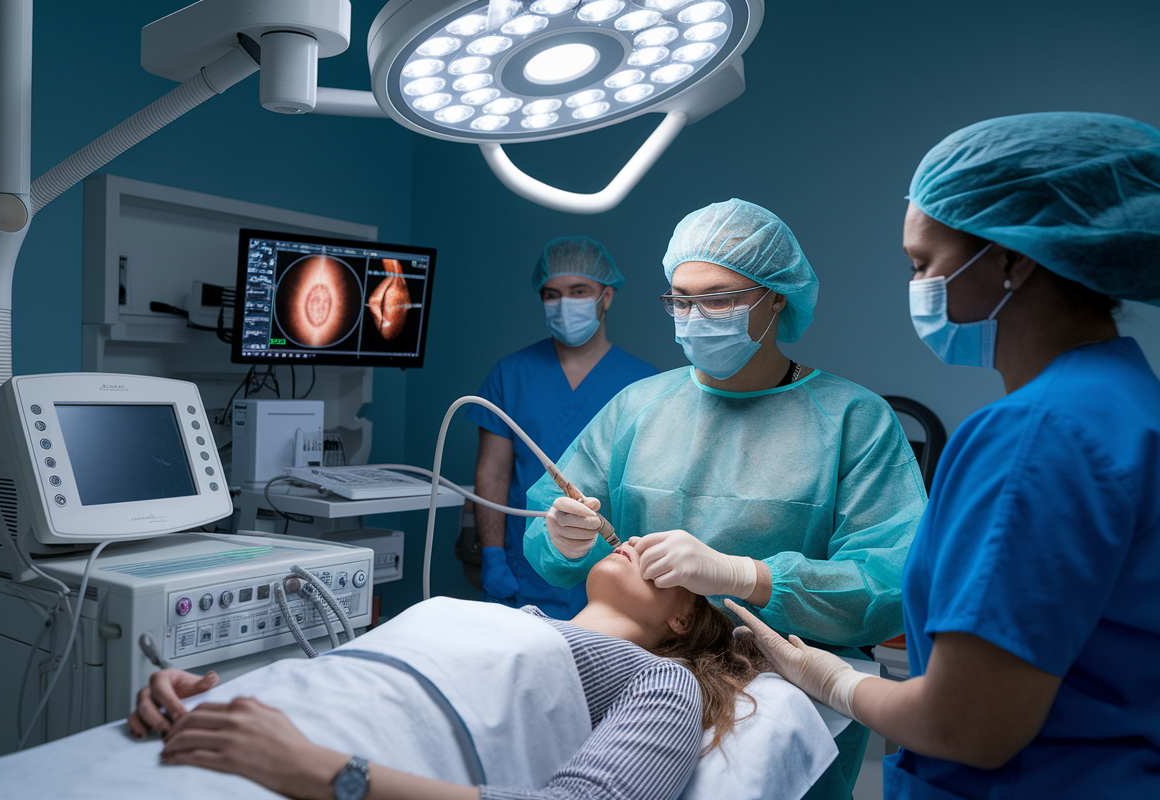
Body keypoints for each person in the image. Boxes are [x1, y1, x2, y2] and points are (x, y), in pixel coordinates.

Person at [729, 111, 1160, 799]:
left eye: (922, 264)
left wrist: (831, 679)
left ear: (1012, 259)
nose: (917, 287)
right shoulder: (1131, 403)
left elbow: (969, 728)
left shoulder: (1034, 436)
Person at [523, 198, 928, 799]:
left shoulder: (853, 420)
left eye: (718, 299)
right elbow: (549, 532)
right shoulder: (640, 407)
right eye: (680, 300)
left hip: (784, 686)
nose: (693, 316)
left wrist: (746, 576)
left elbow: (892, 584)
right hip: (630, 670)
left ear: (776, 298)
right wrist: (561, 536)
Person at [128, 542, 770, 800]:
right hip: (203, 730)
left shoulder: (661, 682)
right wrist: (211, 694)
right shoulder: (498, 617)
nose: (638, 540)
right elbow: (354, 678)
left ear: (685, 619)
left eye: (668, 557)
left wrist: (324, 771)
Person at [469, 236, 656, 618]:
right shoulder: (511, 374)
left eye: (579, 291)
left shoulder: (645, 386)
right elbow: (493, 472)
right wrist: (491, 555)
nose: (564, 304)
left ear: (606, 296)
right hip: (526, 564)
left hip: (611, 569)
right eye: (552, 294)